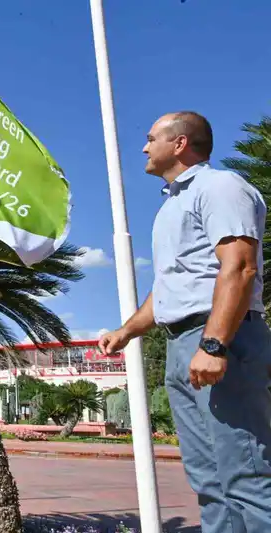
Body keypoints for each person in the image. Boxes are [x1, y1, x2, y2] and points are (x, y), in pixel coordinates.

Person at [100, 111, 271, 532]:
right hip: (182, 345)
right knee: (209, 482)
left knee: (246, 474)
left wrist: (214, 345)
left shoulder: (221, 187)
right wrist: (126, 331)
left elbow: (240, 267)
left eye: (150, 137)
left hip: (222, 336)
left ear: (179, 143)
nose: (144, 147)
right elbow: (171, 288)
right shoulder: (171, 206)